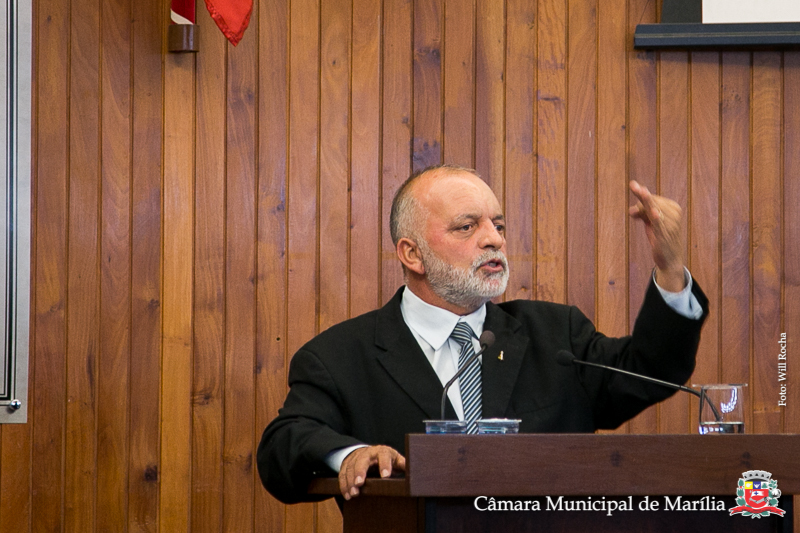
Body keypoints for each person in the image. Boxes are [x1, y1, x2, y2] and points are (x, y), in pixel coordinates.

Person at [257, 165, 707, 504]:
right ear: (412, 254)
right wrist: (351, 456)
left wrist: (670, 269)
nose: (494, 239)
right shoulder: (340, 357)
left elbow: (651, 370)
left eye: (499, 225)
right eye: (467, 226)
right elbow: (283, 444)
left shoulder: (556, 337)